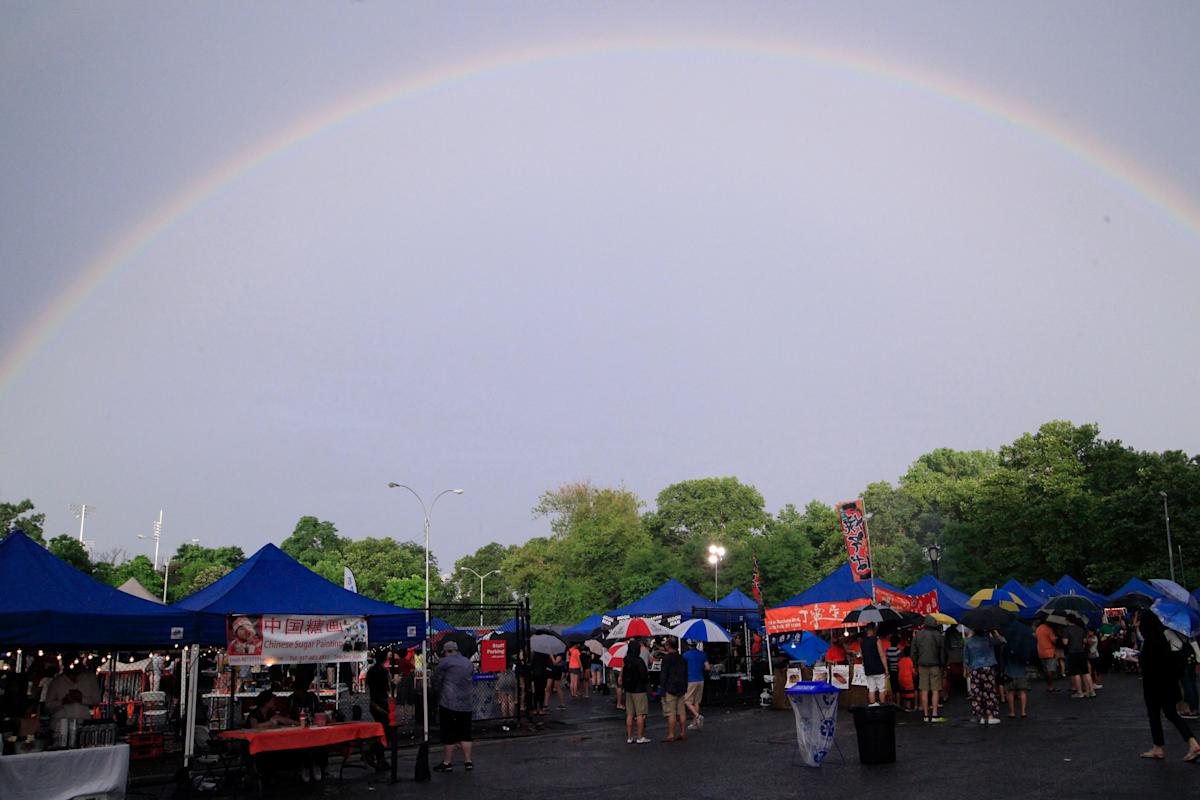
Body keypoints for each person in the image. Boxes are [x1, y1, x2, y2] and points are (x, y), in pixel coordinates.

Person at [1135, 610, 1200, 761]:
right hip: (1169, 686)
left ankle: (1158, 747)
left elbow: (1148, 666)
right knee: (1172, 714)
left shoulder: (1150, 642)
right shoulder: (1162, 638)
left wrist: (1136, 659)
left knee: (1154, 716)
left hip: (1153, 687)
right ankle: (1192, 742)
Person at [431, 640, 475, 772]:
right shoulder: (468, 663)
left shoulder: (445, 662)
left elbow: (436, 680)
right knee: (465, 733)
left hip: (449, 702)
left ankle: (447, 762)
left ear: (446, 651)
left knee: (448, 733)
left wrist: (436, 692)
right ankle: (468, 761)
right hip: (466, 702)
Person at [911, 616, 947, 723]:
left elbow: (913, 652)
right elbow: (942, 652)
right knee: (935, 690)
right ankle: (935, 714)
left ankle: (926, 715)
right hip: (935, 665)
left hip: (922, 665)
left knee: (924, 690)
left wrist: (915, 664)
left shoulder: (918, 636)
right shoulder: (938, 636)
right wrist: (943, 665)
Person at [964, 628, 1001, 725]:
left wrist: (966, 669)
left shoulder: (969, 641)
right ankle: (990, 716)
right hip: (987, 667)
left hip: (975, 668)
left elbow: (966, 658)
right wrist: (994, 632)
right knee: (989, 691)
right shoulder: (988, 639)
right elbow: (1001, 641)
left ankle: (980, 716)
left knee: (977, 692)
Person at [622, 638, 651, 744]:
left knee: (629, 714)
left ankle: (629, 737)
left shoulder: (626, 660)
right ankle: (640, 736)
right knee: (640, 714)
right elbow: (644, 676)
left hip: (629, 690)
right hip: (639, 690)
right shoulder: (639, 661)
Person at [659, 639, 688, 742]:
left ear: (668, 646)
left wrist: (662, 689)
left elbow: (664, 675)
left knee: (671, 712)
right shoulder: (682, 658)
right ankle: (683, 732)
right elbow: (685, 673)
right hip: (681, 687)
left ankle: (671, 734)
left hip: (670, 687)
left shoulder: (666, 659)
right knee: (681, 712)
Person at [1062, 621, 1095, 699]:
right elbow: (1085, 641)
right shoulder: (1081, 629)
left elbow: (1065, 642)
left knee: (1075, 673)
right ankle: (1091, 691)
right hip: (1082, 652)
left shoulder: (1066, 630)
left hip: (1073, 653)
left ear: (1067, 620)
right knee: (1086, 672)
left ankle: (1079, 692)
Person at [860, 622, 889, 706]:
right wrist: (886, 669)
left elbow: (862, 655)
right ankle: (882, 707)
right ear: (874, 630)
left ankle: (872, 707)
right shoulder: (877, 640)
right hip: (879, 668)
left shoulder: (862, 642)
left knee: (871, 689)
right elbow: (882, 655)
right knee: (881, 688)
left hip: (868, 669)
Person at [682, 642, 709, 731]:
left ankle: (697, 716)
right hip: (700, 679)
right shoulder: (702, 654)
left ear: (688, 645)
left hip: (690, 679)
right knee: (696, 702)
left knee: (687, 701)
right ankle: (695, 722)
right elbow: (707, 667)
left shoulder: (685, 655)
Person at [1035, 619, 1060, 692]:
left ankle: (1048, 685)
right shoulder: (1048, 629)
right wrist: (1056, 638)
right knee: (1050, 670)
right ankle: (1050, 685)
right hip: (1050, 651)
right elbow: (1053, 640)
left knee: (1046, 669)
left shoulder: (1038, 629)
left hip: (1041, 651)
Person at [885, 634, 903, 703]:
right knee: (897, 688)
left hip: (890, 671)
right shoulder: (898, 651)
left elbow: (887, 660)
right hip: (897, 671)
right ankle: (898, 702)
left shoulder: (887, 651)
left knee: (892, 687)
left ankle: (893, 702)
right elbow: (900, 660)